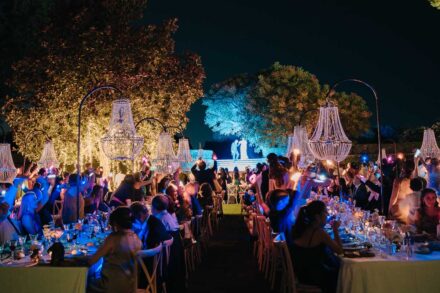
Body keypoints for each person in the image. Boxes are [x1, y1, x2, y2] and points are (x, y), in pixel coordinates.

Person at [291, 201, 342, 293]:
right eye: (326, 212)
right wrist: (335, 229)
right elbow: (340, 251)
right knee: (342, 271)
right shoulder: (319, 233)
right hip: (313, 277)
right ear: (317, 216)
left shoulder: (300, 227)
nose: (327, 215)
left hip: (300, 272)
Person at [88, 207, 142, 293]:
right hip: (130, 285)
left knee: (86, 281)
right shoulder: (136, 238)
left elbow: (92, 261)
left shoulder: (113, 238)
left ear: (115, 222)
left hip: (110, 286)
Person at [151, 195, 185, 293]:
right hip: (175, 255)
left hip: (166, 261)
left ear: (154, 207)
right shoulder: (167, 215)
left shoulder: (159, 220)